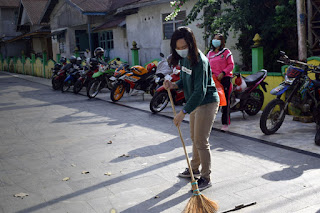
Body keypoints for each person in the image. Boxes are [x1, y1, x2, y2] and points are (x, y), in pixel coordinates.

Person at [163, 26, 220, 191]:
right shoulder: (183, 59)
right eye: (178, 48)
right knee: (194, 138)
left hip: (206, 101)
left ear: (191, 44)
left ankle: (206, 177)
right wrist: (173, 84)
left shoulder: (200, 61)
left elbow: (199, 91)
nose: (181, 50)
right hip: (194, 102)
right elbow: (185, 79)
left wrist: (183, 112)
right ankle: (193, 169)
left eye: (184, 47)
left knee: (201, 140)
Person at [207, 33, 234, 132]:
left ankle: (225, 123)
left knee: (225, 101)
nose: (215, 41)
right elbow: (206, 66)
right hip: (213, 80)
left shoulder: (226, 52)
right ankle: (209, 120)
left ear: (222, 42)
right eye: (214, 39)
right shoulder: (209, 54)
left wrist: (223, 72)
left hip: (225, 79)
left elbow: (231, 65)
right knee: (212, 101)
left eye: (218, 39)